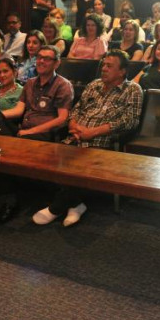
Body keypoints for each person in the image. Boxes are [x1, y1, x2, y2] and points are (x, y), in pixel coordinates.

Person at [33, 50, 143, 227]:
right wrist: (73, 126)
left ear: (122, 71)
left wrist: (93, 132)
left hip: (101, 141)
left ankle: (56, 208)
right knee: (47, 162)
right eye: (103, 65)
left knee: (75, 166)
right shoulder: (94, 85)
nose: (104, 69)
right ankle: (76, 205)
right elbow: (76, 109)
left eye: (109, 66)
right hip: (75, 137)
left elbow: (129, 121)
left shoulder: (132, 90)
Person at [0, 46, 73, 222]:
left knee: (3, 151)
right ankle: (6, 186)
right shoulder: (31, 83)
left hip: (43, 134)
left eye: (47, 59)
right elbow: (19, 110)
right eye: (39, 57)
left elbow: (62, 119)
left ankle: (10, 199)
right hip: (22, 131)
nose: (41, 61)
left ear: (57, 63)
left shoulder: (63, 85)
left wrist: (31, 131)